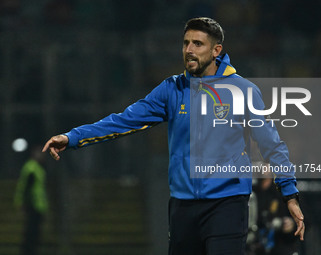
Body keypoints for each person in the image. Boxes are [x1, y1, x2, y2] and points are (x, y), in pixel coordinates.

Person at [42, 17, 304, 255]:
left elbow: (272, 145)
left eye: (198, 44)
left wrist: (289, 195)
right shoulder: (171, 89)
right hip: (183, 207)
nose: (189, 49)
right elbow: (123, 121)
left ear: (216, 51)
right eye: (186, 43)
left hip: (228, 203)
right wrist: (72, 137)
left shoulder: (243, 91)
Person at [14, 145, 49, 255]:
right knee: (31, 234)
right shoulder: (32, 168)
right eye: (40, 153)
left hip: (37, 206)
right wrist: (23, 204)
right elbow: (26, 188)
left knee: (33, 234)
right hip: (33, 206)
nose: (42, 155)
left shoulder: (36, 167)